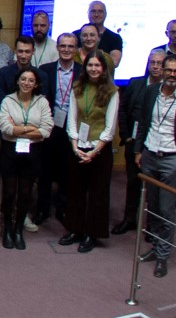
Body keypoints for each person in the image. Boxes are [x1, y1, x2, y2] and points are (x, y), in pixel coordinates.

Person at [136, 55, 176, 278]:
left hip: (172, 159)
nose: (172, 75)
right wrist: (138, 150)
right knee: (152, 206)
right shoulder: (150, 93)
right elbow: (143, 122)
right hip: (149, 155)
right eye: (169, 70)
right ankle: (155, 247)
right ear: (162, 71)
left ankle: (163, 256)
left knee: (166, 209)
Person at [60, 51, 118, 253]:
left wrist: (94, 152)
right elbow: (72, 119)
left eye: (97, 65)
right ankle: (74, 229)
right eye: (90, 65)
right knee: (75, 191)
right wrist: (75, 146)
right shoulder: (78, 87)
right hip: (78, 147)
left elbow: (110, 128)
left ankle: (91, 234)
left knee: (97, 193)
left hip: (99, 150)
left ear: (104, 68)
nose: (93, 69)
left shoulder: (112, 91)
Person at [0, 68, 51, 249]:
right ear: (18, 81)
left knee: (26, 193)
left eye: (31, 80)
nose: (27, 83)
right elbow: (5, 127)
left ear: (36, 84)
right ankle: (8, 229)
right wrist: (31, 129)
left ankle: (19, 230)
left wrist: (20, 128)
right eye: (23, 79)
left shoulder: (42, 102)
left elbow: (46, 130)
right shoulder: (8, 100)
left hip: (33, 153)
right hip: (10, 152)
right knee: (10, 193)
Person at [114, 51, 167, 235]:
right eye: (152, 62)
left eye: (160, 63)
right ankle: (129, 219)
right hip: (133, 141)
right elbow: (122, 110)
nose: (155, 66)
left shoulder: (167, 90)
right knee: (132, 182)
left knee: (153, 187)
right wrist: (126, 136)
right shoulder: (136, 83)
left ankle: (152, 225)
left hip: (156, 145)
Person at [35, 33, 83, 224]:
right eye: (62, 46)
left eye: (70, 46)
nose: (66, 50)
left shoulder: (82, 71)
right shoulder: (45, 70)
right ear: (57, 48)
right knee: (44, 170)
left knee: (66, 169)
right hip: (49, 126)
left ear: (76, 49)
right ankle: (42, 208)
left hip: (71, 127)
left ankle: (62, 207)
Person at [76, 1, 124, 66]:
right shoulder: (75, 35)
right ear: (88, 13)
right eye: (93, 11)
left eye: (100, 11)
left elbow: (114, 63)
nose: (96, 15)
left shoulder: (115, 38)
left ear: (105, 14)